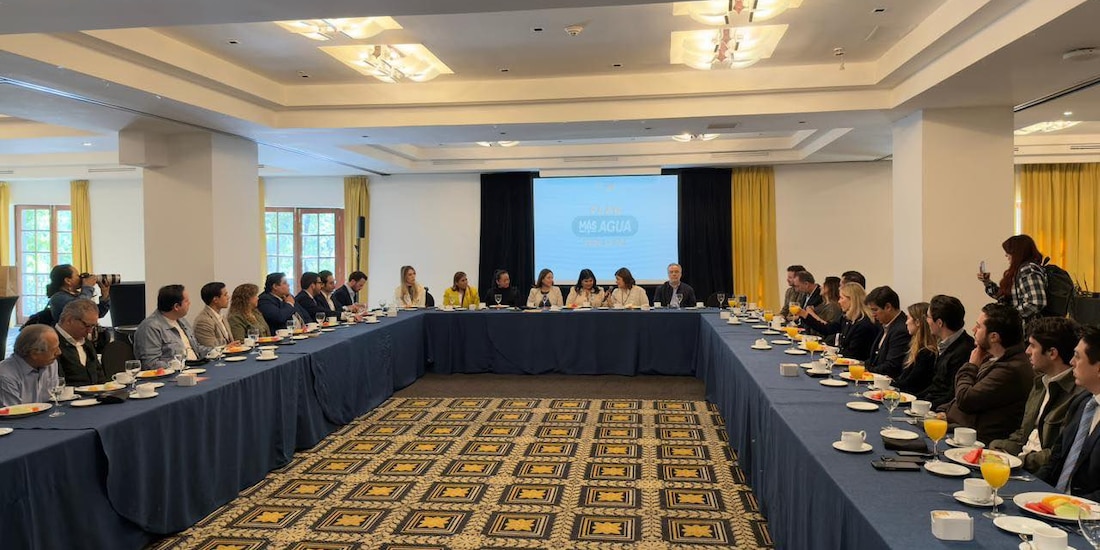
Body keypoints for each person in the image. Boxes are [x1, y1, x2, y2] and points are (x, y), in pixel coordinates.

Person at [991, 317, 1085, 473]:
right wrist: (998, 448)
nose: (1027, 351)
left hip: (1037, 473)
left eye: (1032, 346)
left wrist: (1017, 461)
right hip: (1021, 463)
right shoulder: (1041, 384)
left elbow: (1056, 453)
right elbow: (1023, 435)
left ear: (1052, 353)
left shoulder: (1077, 396)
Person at [939, 303, 1033, 444]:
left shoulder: (1010, 370)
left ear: (994, 337)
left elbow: (965, 399)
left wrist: (971, 366)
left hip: (976, 442)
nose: (973, 330)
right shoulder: (991, 357)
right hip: (958, 429)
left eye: (978, 327)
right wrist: (944, 411)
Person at [1038, 325, 1100, 500]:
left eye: (1078, 357)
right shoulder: (1083, 402)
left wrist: (1071, 506)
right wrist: (1030, 489)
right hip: (1053, 501)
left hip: (1086, 515)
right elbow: (1056, 458)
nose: (1071, 362)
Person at [133, 284, 212, 370]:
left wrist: (217, 351)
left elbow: (196, 348)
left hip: (196, 367)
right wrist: (180, 365)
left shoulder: (181, 321)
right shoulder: (150, 328)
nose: (189, 303)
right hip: (173, 376)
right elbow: (150, 364)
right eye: (186, 301)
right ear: (176, 307)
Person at [921, 295, 976, 410]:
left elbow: (951, 393)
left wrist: (922, 405)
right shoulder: (946, 344)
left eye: (928, 317)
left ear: (940, 323)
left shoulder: (965, 350)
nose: (927, 321)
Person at [798, 282, 876, 361]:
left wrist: (832, 354)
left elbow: (853, 354)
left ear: (852, 300)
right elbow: (826, 329)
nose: (839, 301)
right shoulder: (846, 318)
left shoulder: (864, 324)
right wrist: (805, 315)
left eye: (841, 298)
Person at [980, 234, 1047, 324]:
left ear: (1017, 252)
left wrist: (1010, 316)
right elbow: (1004, 297)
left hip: (1029, 330)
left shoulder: (1028, 270)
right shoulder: (1019, 270)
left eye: (1008, 252)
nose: (1006, 255)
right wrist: (987, 282)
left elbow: (1037, 302)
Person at [0, 325, 61, 406]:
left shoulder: (51, 363)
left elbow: (54, 399)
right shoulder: (5, 376)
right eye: (54, 349)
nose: (59, 352)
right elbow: (12, 414)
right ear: (34, 354)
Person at [54, 299, 108, 386]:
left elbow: (99, 375)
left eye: (93, 326)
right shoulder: (52, 343)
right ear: (69, 320)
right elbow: (56, 382)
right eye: (87, 325)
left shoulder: (86, 343)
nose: (90, 331)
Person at [864, 286, 911, 379]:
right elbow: (874, 358)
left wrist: (866, 371)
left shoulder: (901, 330)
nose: (873, 315)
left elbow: (891, 366)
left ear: (888, 307)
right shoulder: (885, 323)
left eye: (875, 310)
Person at [893, 303, 937, 395]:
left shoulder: (927, 352)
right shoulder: (914, 347)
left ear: (917, 322)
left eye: (908, 318)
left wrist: (889, 383)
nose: (906, 322)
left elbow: (911, 383)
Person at [45, 264, 111, 324]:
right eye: (77, 275)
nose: (80, 278)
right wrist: (88, 287)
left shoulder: (78, 295)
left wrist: (105, 296)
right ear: (68, 281)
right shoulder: (57, 298)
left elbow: (98, 313)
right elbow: (80, 307)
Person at [193, 281, 234, 348]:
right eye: (225, 295)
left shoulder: (221, 316)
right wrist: (228, 347)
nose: (228, 297)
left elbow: (230, 341)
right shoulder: (203, 321)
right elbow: (210, 347)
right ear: (215, 300)